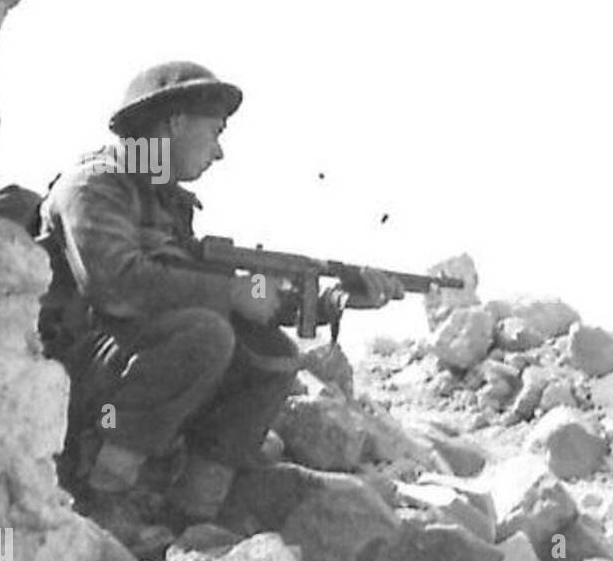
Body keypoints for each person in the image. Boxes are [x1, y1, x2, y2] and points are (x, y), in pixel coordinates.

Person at [35, 60, 402, 526]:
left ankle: (198, 508)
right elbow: (117, 287)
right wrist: (230, 293)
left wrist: (335, 301)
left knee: (270, 354)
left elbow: (217, 292)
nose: (219, 151)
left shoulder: (162, 199)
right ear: (174, 122)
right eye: (214, 131)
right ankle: (104, 492)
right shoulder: (94, 186)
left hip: (124, 366)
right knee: (206, 332)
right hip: (66, 378)